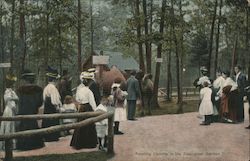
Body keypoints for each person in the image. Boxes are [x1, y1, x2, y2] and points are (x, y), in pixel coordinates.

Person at [16, 69, 45, 150]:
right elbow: (40, 102)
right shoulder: (38, 89)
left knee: (24, 127)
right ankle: (34, 144)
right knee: (32, 125)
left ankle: (24, 145)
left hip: (23, 112)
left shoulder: (20, 90)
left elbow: (20, 102)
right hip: (32, 111)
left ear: (25, 79)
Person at [70, 71, 97, 149]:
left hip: (81, 107)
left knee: (80, 124)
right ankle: (88, 143)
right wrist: (95, 110)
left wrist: (80, 104)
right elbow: (92, 102)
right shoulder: (89, 91)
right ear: (88, 82)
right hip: (87, 107)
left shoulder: (79, 90)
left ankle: (79, 142)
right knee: (88, 125)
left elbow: (77, 99)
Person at [42, 66, 62, 142]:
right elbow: (54, 101)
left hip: (47, 108)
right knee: (52, 122)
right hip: (51, 108)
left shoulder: (46, 87)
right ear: (54, 80)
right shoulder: (53, 88)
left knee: (47, 122)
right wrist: (58, 108)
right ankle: (52, 137)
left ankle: (48, 136)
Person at [0, 74, 18, 150]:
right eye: (11, 83)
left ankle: (12, 144)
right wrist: (14, 101)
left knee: (11, 125)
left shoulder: (12, 92)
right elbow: (8, 100)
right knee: (8, 125)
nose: (12, 85)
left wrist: (14, 98)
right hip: (9, 109)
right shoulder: (7, 92)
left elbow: (17, 98)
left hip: (11, 109)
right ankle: (6, 144)